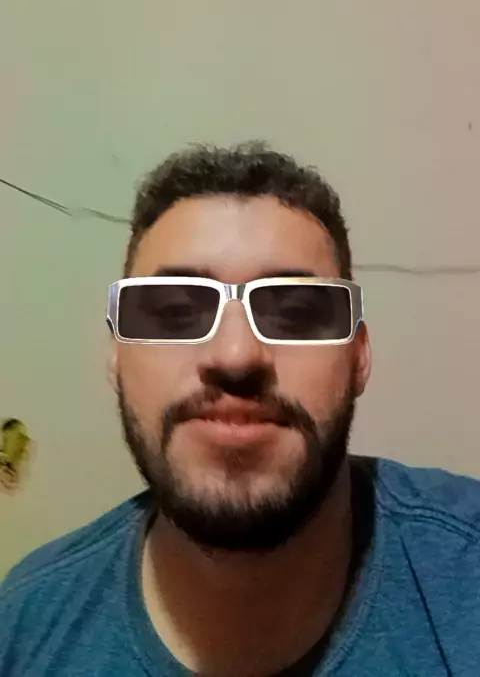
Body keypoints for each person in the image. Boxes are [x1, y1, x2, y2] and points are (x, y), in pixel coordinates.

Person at [1, 142, 479, 677]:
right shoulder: (21, 632)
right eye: (175, 312)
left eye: (296, 314)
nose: (235, 355)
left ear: (359, 357)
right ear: (116, 356)